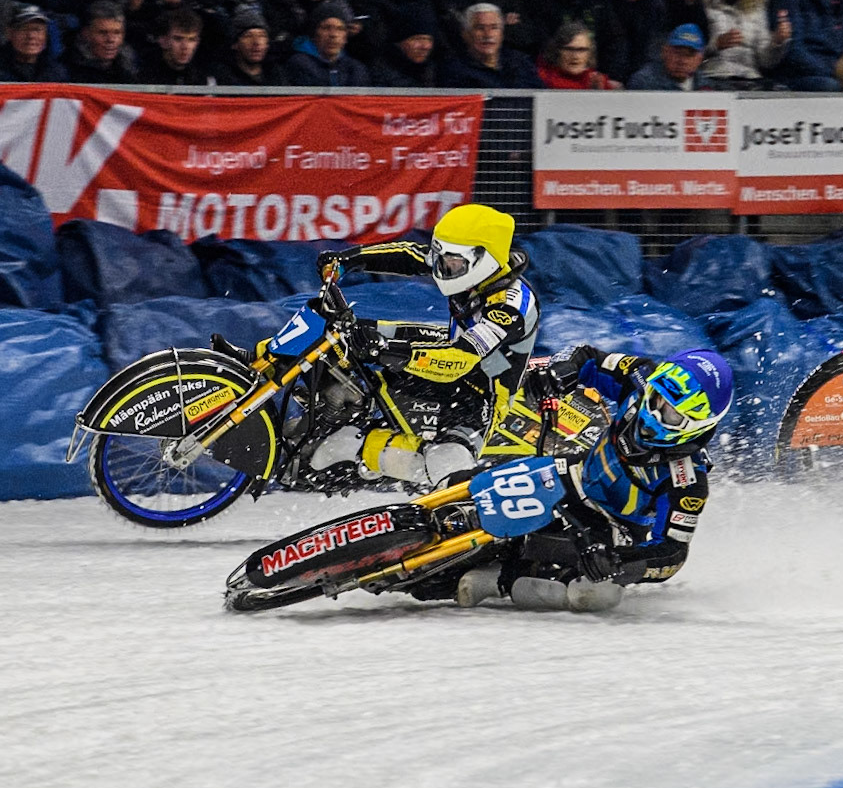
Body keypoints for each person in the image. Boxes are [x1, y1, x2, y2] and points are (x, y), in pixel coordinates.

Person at [269, 204, 541, 489]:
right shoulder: (464, 262)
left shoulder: (511, 307)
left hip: (480, 393)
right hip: (450, 350)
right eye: (441, 257)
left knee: (446, 465)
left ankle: (358, 450)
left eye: (451, 263)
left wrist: (385, 349)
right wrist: (348, 259)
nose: (441, 268)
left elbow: (459, 360)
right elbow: (410, 256)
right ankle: (306, 390)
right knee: (347, 332)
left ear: (482, 261)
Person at [446, 346, 733, 613]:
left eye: (671, 415)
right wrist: (562, 371)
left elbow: (672, 553)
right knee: (466, 481)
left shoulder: (688, 480)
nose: (653, 415)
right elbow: (589, 357)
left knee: (594, 593)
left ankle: (503, 578)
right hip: (575, 473)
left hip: (612, 525)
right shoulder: (640, 376)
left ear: (697, 426)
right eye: (657, 398)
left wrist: (619, 562)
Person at [697, 0, 791, 89]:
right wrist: (716, 45)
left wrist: (777, 42)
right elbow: (689, 54)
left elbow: (765, 61)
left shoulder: (756, 9)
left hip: (750, 79)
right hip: (714, 77)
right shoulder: (702, 5)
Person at [436, 1, 543, 86]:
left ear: (502, 33)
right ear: (465, 34)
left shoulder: (521, 63)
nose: (487, 34)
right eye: (480, 28)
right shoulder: (453, 70)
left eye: (494, 28)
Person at [285, 0, 373, 86]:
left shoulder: (355, 68)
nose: (333, 35)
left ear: (346, 37)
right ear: (314, 33)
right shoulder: (299, 64)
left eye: (340, 29)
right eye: (326, 28)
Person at [62, 1, 141, 84]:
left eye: (117, 32)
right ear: (86, 34)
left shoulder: (130, 68)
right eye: (103, 32)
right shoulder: (65, 69)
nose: (111, 40)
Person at [210, 9, 289, 85]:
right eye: (248, 36)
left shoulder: (277, 73)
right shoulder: (223, 76)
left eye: (262, 36)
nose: (256, 42)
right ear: (235, 44)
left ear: (267, 44)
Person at [536, 22, 622, 88]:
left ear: (590, 53)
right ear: (557, 50)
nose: (575, 56)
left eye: (581, 50)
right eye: (569, 49)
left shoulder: (597, 81)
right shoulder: (541, 79)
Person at [628, 21, 709, 89]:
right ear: (665, 52)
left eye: (689, 55)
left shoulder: (706, 86)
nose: (682, 61)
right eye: (678, 53)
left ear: (700, 59)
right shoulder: (645, 81)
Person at [0, 5, 68, 82]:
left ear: (46, 35)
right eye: (24, 29)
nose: (31, 36)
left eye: (37, 30)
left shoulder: (56, 73)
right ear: (9, 33)